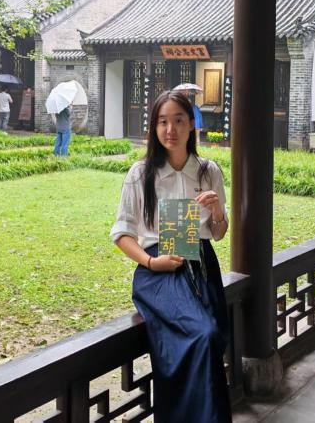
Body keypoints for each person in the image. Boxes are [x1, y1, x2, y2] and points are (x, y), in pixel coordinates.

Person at [111, 90, 232, 423]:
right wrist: (152, 262)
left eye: (178, 120)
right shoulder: (141, 174)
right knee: (203, 334)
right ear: (154, 127)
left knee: (211, 338)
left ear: (192, 124)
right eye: (162, 122)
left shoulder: (208, 171)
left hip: (201, 266)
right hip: (158, 271)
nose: (170, 130)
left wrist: (217, 211)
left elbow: (219, 233)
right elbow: (122, 234)